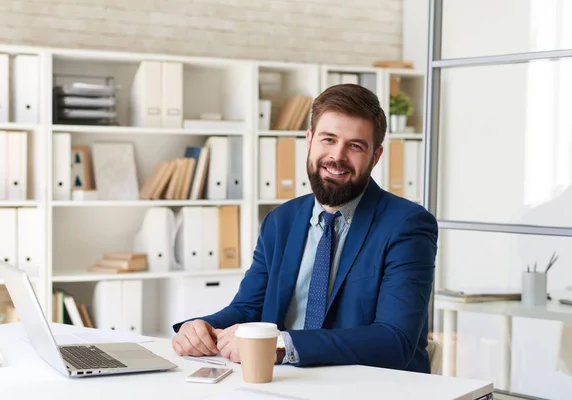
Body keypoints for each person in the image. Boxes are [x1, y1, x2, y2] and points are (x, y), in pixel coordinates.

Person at [172, 83, 438, 373]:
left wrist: (282, 345)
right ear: (309, 141)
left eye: (355, 146)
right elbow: (250, 309)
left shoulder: (407, 225)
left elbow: (395, 340)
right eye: (328, 139)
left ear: (375, 156)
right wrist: (203, 328)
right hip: (284, 384)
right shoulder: (280, 221)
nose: (337, 156)